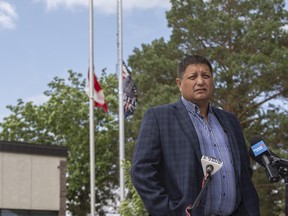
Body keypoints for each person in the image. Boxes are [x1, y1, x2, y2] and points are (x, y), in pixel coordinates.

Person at [131, 54, 260, 216]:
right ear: (179, 84)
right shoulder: (159, 117)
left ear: (212, 81)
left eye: (206, 76)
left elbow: (244, 172)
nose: (200, 81)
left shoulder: (230, 121)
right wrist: (168, 211)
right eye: (192, 77)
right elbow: (142, 172)